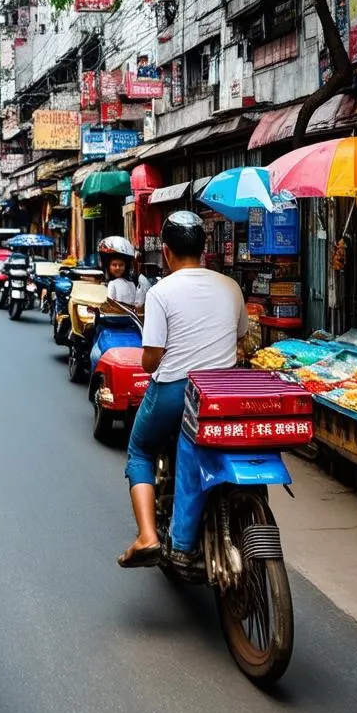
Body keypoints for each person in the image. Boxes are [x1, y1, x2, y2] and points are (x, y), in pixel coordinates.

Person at [118, 211, 249, 570]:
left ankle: (147, 536)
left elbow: (151, 361)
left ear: (167, 252)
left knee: (139, 451)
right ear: (204, 249)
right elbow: (242, 339)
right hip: (221, 395)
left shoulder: (161, 292)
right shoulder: (231, 287)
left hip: (177, 392)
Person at [99, 236, 140, 308]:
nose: (117, 268)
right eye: (114, 265)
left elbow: (110, 305)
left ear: (125, 266)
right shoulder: (132, 285)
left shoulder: (113, 284)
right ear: (108, 266)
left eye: (121, 265)